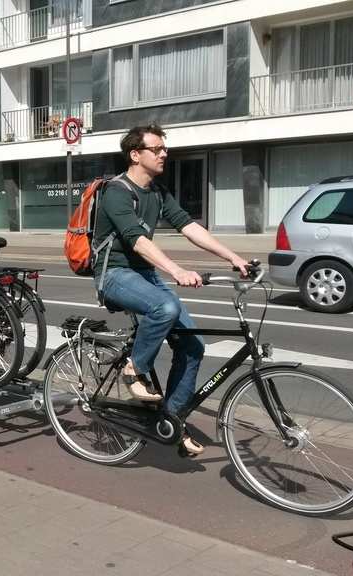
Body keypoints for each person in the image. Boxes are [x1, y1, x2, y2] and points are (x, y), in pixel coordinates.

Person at [93, 124, 251, 457]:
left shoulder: (158, 192)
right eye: (157, 149)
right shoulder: (116, 192)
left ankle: (172, 421)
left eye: (165, 148)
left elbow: (190, 227)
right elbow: (136, 240)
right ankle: (134, 369)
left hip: (143, 274)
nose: (165, 153)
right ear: (136, 155)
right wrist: (176, 270)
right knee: (164, 308)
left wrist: (234, 258)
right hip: (115, 273)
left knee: (193, 346)